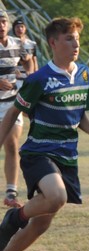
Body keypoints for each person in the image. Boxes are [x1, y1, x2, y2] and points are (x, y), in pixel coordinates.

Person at [0, 17, 89, 251]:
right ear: (53, 43)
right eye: (68, 38)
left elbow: (79, 117)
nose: (75, 43)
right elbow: (15, 111)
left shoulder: (85, 74)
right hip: (39, 152)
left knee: (41, 225)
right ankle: (13, 219)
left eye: (76, 38)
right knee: (56, 197)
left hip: (67, 157)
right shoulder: (39, 79)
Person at [0, 11, 32, 209]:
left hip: (12, 103)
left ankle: (11, 192)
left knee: (12, 144)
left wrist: (29, 76)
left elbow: (27, 60)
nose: (1, 25)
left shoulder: (17, 43)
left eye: (3, 21)